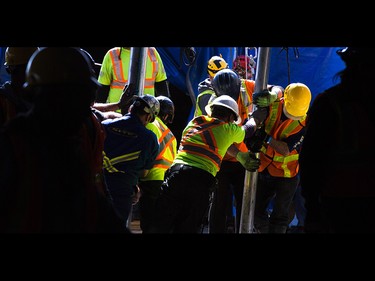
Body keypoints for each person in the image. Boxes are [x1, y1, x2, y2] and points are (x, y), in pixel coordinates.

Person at [0, 47, 126, 233]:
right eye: (78, 99)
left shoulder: (75, 140)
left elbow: (96, 204)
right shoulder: (12, 146)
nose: (85, 110)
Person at [149, 94, 268, 233]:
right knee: (188, 226)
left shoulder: (194, 123)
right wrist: (256, 118)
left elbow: (218, 141)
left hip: (176, 175)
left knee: (162, 223)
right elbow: (247, 130)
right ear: (230, 118)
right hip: (200, 180)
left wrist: (238, 154)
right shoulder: (228, 129)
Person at [299, 48, 375, 233]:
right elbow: (311, 161)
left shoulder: (329, 103)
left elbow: (309, 160)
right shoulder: (330, 106)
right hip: (338, 207)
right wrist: (314, 211)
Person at [205, 68, 283, 233]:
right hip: (223, 159)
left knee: (245, 203)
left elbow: (279, 88)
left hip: (245, 159)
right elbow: (217, 137)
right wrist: (238, 154)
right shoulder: (210, 105)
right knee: (219, 204)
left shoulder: (246, 87)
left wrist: (273, 95)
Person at [248, 82, 312, 233]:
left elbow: (284, 150)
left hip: (286, 174)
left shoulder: (304, 123)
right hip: (264, 168)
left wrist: (264, 139)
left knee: (280, 218)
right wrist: (274, 93)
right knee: (256, 212)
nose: (293, 116)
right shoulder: (275, 102)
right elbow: (276, 88)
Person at [101, 94, 160, 231]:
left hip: (98, 186)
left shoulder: (104, 126)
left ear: (130, 108)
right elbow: (143, 172)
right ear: (148, 117)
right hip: (123, 192)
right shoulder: (150, 138)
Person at [138, 95, 177, 233]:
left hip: (147, 178)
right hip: (163, 182)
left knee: (147, 223)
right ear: (167, 116)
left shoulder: (150, 124)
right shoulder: (172, 136)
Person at [96, 47, 170, 110]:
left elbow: (162, 89)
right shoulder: (112, 55)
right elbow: (101, 93)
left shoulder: (152, 53)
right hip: (117, 116)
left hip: (146, 117)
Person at [0, 47, 39, 126]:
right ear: (10, 70)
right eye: (25, 68)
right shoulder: (3, 100)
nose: (29, 74)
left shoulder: (40, 98)